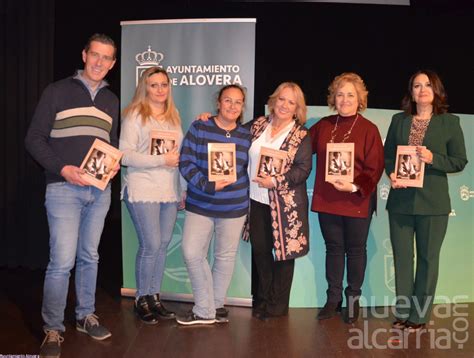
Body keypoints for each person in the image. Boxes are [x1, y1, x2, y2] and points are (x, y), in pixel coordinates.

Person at [24, 33, 119, 358]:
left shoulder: (111, 101)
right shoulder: (57, 91)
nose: (100, 62)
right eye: (95, 55)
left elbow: (112, 144)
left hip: (99, 192)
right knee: (61, 262)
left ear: (113, 63)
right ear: (84, 55)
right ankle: (52, 328)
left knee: (90, 257)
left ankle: (85, 316)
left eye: (107, 58)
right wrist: (63, 169)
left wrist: (113, 165)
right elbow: (34, 139)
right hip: (63, 188)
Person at [384, 70, 467, 332]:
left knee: (428, 259)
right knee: (402, 258)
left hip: (433, 203)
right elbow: (388, 157)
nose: (422, 90)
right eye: (417, 85)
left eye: (427, 85)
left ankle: (419, 317)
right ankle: (403, 312)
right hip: (400, 202)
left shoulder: (450, 122)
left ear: (436, 90)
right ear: (411, 91)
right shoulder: (399, 121)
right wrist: (392, 173)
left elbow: (459, 160)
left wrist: (433, 159)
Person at [309, 72, 384, 323]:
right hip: (327, 200)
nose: (344, 99)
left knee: (355, 251)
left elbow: (375, 168)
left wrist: (353, 186)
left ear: (360, 98)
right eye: (340, 94)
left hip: (356, 201)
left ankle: (353, 300)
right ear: (333, 98)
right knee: (333, 250)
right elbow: (299, 146)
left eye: (350, 94)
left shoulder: (368, 129)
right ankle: (333, 299)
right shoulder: (323, 126)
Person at [177, 84, 251, 325]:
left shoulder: (246, 135)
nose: (232, 105)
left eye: (237, 102)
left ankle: (215, 306)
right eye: (227, 100)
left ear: (242, 107)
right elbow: (185, 161)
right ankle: (205, 307)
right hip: (201, 201)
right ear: (218, 102)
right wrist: (207, 184)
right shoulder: (200, 127)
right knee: (191, 252)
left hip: (234, 206)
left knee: (224, 257)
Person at [120, 66, 184, 324]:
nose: (160, 89)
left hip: (169, 190)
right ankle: (141, 299)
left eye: (164, 84)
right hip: (143, 187)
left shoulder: (173, 116)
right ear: (144, 87)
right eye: (154, 84)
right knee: (151, 245)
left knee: (163, 245)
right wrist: (160, 160)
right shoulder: (135, 115)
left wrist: (182, 189)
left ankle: (154, 297)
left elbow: (178, 159)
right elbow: (124, 155)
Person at [248, 82, 312, 320]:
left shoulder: (301, 134)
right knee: (261, 252)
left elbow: (303, 169)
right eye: (281, 99)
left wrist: (275, 181)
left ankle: (277, 306)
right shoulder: (258, 125)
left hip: (286, 207)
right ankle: (263, 299)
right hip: (256, 200)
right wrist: (210, 118)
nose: (284, 105)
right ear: (273, 101)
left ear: (297, 108)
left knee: (284, 256)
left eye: (291, 102)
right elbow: (230, 132)